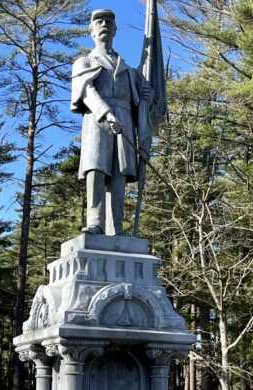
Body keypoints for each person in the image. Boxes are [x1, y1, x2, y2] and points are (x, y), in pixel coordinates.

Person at [71, 8, 153, 235]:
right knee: (96, 170)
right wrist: (106, 113)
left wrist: (146, 96)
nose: (104, 24)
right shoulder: (84, 62)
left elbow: (139, 103)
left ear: (115, 29)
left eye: (108, 21)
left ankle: (116, 226)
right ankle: (95, 222)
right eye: (99, 21)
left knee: (119, 174)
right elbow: (86, 91)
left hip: (125, 120)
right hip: (97, 121)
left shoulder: (129, 71)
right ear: (91, 31)